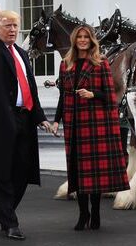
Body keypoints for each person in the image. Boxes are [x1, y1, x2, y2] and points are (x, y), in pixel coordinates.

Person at [0, 5, 51, 240]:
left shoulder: (22, 54)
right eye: (7, 25)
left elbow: (30, 89)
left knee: (23, 170)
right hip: (0, 119)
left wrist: (41, 117)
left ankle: (1, 209)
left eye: (15, 25)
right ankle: (10, 223)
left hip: (24, 117)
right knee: (1, 171)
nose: (12, 29)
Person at [52, 25, 129, 231]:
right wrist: (56, 120)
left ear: (91, 40)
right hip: (73, 124)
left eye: (86, 37)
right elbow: (63, 96)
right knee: (77, 171)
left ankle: (94, 213)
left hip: (94, 124)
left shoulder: (100, 63)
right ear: (74, 40)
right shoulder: (65, 64)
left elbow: (110, 96)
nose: (83, 40)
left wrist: (93, 94)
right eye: (80, 37)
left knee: (93, 172)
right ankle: (82, 213)